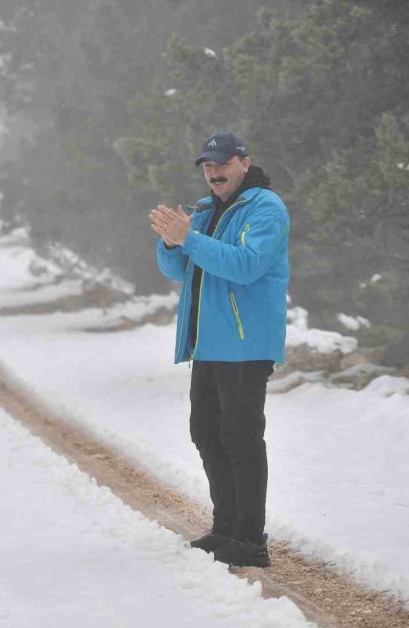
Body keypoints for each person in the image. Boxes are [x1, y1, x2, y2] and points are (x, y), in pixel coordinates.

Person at [148, 130, 289, 568]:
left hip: (247, 345)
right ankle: (226, 527)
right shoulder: (207, 209)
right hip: (209, 344)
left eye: (222, 164)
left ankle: (251, 539)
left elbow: (245, 267)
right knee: (207, 433)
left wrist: (188, 238)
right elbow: (178, 269)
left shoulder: (266, 207)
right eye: (208, 166)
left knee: (241, 438)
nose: (213, 173)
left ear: (244, 163)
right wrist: (172, 242)